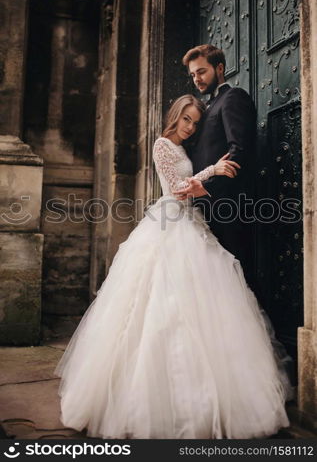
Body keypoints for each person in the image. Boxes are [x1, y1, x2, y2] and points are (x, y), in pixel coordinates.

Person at [55, 94, 293, 440]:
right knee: (158, 304)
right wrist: (213, 170)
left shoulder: (186, 149)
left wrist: (210, 170)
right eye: (187, 119)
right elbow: (179, 189)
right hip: (170, 224)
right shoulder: (163, 144)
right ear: (175, 116)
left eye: (195, 122)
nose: (190, 127)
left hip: (192, 223)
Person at [177, 44, 257, 291]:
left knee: (233, 284)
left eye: (201, 72)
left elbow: (239, 151)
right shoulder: (204, 108)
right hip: (203, 210)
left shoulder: (233, 98)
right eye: (192, 75)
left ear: (220, 68)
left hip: (228, 206)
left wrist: (207, 187)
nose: (196, 79)